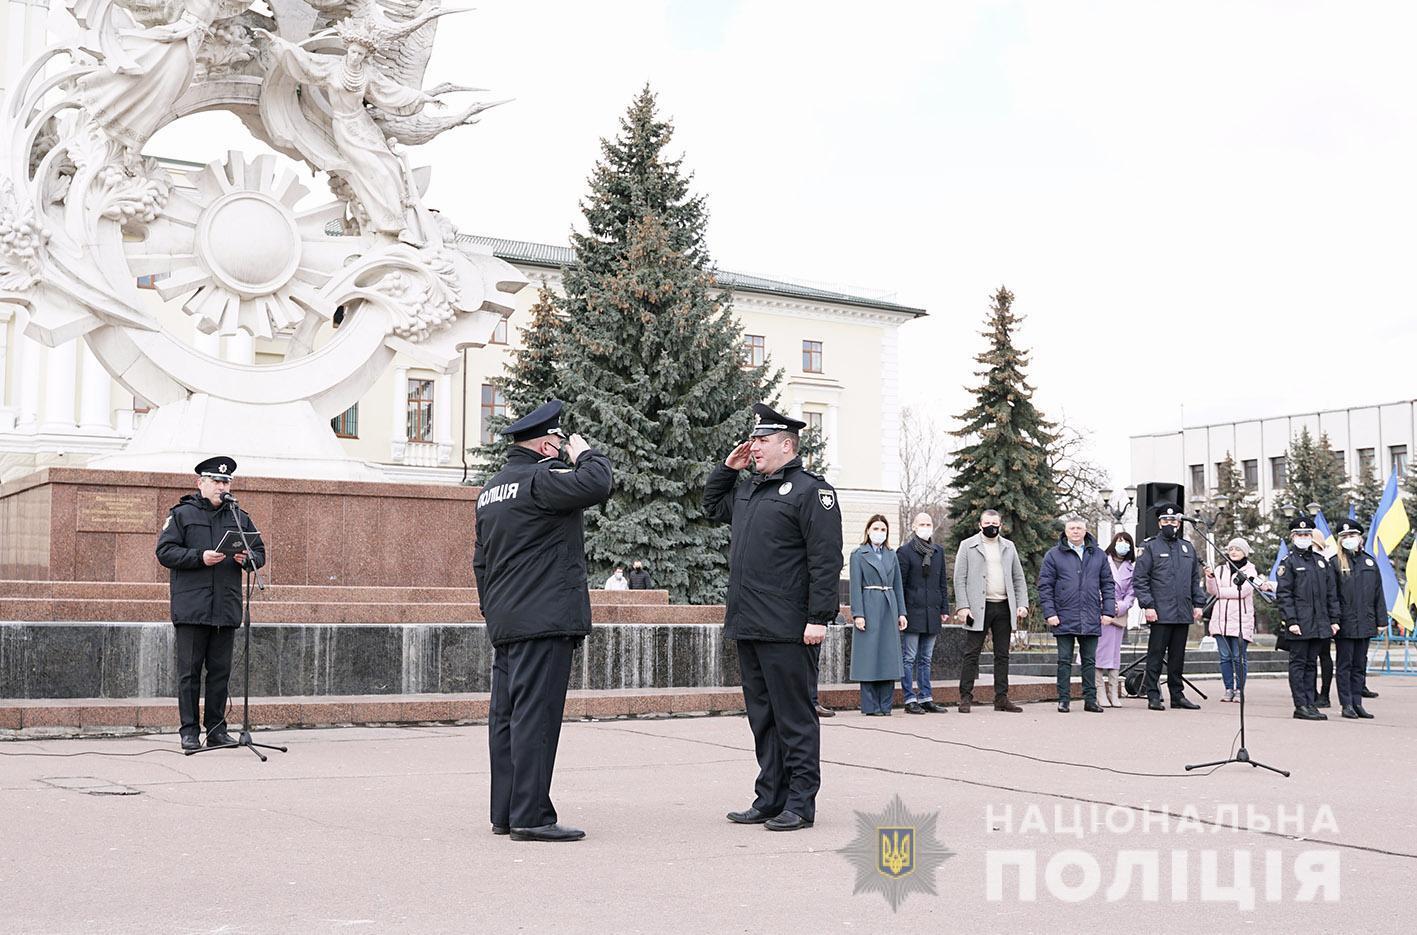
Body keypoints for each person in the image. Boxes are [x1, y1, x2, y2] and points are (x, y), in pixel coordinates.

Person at [474, 400, 613, 842]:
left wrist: (492, 609)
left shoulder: (491, 489)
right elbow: (598, 483)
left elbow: (481, 562)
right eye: (557, 441)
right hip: (544, 618)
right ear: (548, 443)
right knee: (535, 717)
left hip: (508, 620)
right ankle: (531, 815)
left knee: (506, 717)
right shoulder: (542, 478)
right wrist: (586, 453)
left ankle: (506, 812)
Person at [704, 403, 843, 832]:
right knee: (762, 718)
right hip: (749, 623)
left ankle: (800, 803)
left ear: (787, 445)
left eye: (762, 441)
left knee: (795, 717)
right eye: (754, 440)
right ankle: (770, 798)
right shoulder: (749, 489)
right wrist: (727, 469)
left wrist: (819, 616)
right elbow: (712, 507)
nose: (754, 447)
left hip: (789, 628)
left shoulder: (810, 492)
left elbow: (825, 560)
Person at [155, 456, 265, 752]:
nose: (221, 486)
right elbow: (165, 552)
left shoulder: (239, 517)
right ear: (200, 483)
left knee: (220, 673)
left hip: (225, 607)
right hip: (193, 608)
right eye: (215, 481)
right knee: (189, 673)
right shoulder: (182, 514)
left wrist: (248, 559)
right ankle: (189, 731)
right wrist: (199, 557)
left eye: (225, 481)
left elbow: (258, 550)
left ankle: (216, 729)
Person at [954, 509, 1030, 713]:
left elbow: (1018, 578)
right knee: (972, 653)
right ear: (980, 524)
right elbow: (959, 578)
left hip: (1004, 606)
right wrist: (963, 606)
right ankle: (965, 696)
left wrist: (1022, 603)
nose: (991, 526)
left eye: (994, 523)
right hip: (979, 607)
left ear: (1000, 525)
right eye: (987, 523)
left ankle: (1001, 698)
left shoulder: (1009, 546)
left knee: (1002, 654)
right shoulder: (967, 545)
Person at [1133, 503, 1207, 711]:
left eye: (1174, 521)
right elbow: (1140, 579)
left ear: (1179, 523)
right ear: (1159, 523)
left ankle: (1177, 695)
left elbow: (1194, 579)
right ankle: (1153, 695)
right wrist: (1147, 605)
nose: (1170, 524)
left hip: (1182, 611)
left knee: (1177, 657)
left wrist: (1198, 603)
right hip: (1160, 612)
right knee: (1156, 655)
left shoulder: (1187, 547)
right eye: (1166, 521)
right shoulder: (1149, 547)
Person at [1038, 518, 1115, 713]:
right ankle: (1063, 699)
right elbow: (1045, 586)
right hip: (1063, 616)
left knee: (1089, 661)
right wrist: (1050, 613)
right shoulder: (1053, 555)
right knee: (1064, 660)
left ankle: (1090, 699)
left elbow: (1107, 584)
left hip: (1090, 615)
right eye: (1071, 528)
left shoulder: (1098, 555)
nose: (1075, 531)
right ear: (1065, 531)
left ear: (1085, 531)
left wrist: (1108, 611)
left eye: (1079, 528)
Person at [1274, 515, 1341, 721]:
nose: (1303, 537)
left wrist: (1334, 619)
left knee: (1312, 663)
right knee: (1298, 664)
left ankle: (1310, 703)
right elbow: (1284, 595)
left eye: (1307, 534)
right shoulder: (1288, 563)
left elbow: (1331, 593)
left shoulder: (1320, 562)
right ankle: (1300, 704)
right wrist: (1291, 621)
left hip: (1319, 622)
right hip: (1300, 623)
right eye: (1300, 534)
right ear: (1293, 537)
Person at [849, 516, 907, 715]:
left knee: (888, 656)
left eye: (883, 529)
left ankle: (886, 705)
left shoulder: (892, 555)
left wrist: (902, 612)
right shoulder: (858, 554)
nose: (879, 532)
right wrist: (858, 614)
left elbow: (898, 585)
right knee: (868, 656)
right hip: (869, 605)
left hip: (889, 605)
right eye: (876, 528)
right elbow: (855, 586)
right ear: (867, 530)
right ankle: (870, 706)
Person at [1332, 519, 1385, 719]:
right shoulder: (1335, 563)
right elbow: (1332, 596)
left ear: (1360, 537)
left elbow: (1378, 594)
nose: (1349, 539)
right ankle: (1346, 704)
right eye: (1344, 536)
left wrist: (1381, 621)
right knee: (1345, 665)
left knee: (1359, 664)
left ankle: (1357, 702)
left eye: (1352, 535)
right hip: (1345, 623)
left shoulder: (1369, 562)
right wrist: (1334, 620)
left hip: (1366, 621)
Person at [1204, 538, 1269, 702]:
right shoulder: (1219, 569)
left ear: (1245, 552)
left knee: (1239, 657)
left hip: (1241, 621)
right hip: (1220, 620)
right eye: (1231, 549)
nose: (1233, 552)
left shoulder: (1250, 571)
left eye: (1237, 549)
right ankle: (1228, 689)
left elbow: (1241, 592)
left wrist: (1221, 592)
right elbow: (1212, 590)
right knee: (1225, 657)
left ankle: (1240, 689)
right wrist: (1210, 578)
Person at [897, 512, 949, 714]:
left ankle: (926, 697)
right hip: (913, 611)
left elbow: (942, 582)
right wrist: (901, 611)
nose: (926, 527)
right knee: (909, 658)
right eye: (922, 524)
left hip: (933, 612)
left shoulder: (938, 552)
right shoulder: (905, 552)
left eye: (928, 524)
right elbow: (900, 584)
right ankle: (909, 698)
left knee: (926, 658)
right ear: (913, 526)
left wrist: (944, 608)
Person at [1099, 531, 1136, 707]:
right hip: (1101, 614)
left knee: (1114, 655)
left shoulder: (1132, 567)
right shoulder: (1102, 560)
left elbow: (1132, 593)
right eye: (1120, 541)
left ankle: (1114, 692)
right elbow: (1095, 585)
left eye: (1127, 542)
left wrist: (1120, 607)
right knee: (1098, 653)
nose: (1123, 545)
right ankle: (1100, 692)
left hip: (1119, 615)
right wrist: (1107, 605)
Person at [1311, 530, 1335, 708]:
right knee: (1309, 658)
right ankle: (1311, 693)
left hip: (1323, 616)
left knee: (1324, 656)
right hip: (1306, 618)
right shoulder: (1295, 560)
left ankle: (1325, 693)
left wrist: (1334, 618)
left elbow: (1333, 592)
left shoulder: (1328, 562)